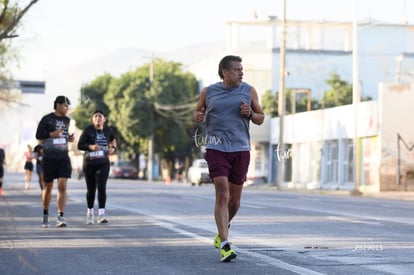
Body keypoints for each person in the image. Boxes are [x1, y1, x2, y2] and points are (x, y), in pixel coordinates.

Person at [194, 55, 264, 262]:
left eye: (242, 69)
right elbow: (199, 112)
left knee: (234, 201)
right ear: (225, 72)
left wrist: (250, 113)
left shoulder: (249, 90)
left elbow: (261, 118)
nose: (241, 73)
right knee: (222, 194)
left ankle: (222, 229)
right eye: (237, 69)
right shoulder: (209, 92)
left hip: (241, 149)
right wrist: (197, 115)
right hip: (216, 148)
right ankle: (225, 244)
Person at [35, 95, 74, 228]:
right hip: (49, 157)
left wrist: (69, 138)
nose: (67, 108)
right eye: (65, 105)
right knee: (48, 187)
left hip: (63, 157)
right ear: (58, 105)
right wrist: (52, 134)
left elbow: (63, 135)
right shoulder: (47, 119)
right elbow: (39, 135)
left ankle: (60, 216)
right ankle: (45, 215)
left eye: (68, 106)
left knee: (62, 186)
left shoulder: (67, 120)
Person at [77, 110, 116, 224]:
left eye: (100, 116)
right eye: (95, 116)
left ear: (104, 119)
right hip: (89, 163)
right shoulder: (88, 130)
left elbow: (113, 142)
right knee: (91, 189)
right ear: (92, 119)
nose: (97, 118)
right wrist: (90, 146)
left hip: (103, 163)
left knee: (102, 186)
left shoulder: (108, 131)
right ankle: (90, 213)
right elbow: (80, 145)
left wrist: (113, 149)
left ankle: (101, 214)